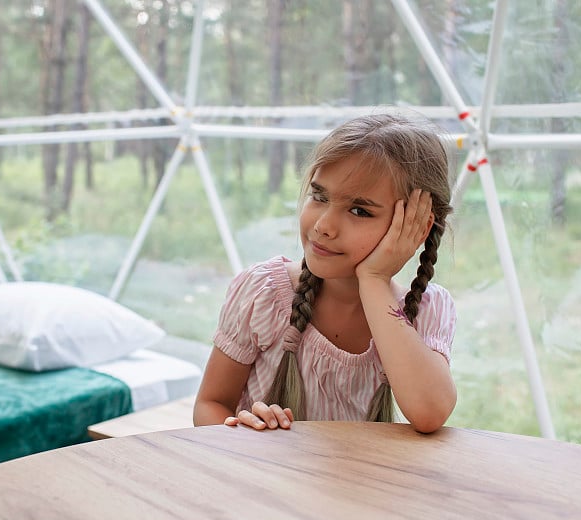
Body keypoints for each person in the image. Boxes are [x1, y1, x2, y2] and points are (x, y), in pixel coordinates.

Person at [193, 113, 457, 433]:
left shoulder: (427, 310)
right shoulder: (265, 292)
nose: (323, 226)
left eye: (359, 211)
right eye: (319, 197)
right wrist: (239, 429)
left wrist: (373, 281)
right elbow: (209, 404)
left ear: (416, 226)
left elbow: (429, 412)